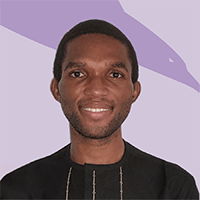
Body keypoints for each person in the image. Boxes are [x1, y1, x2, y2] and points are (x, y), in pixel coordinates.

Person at [0, 19, 199, 200]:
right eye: (78, 73)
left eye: (115, 74)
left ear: (134, 91)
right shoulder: (18, 189)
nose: (96, 90)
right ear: (56, 89)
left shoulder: (173, 188)